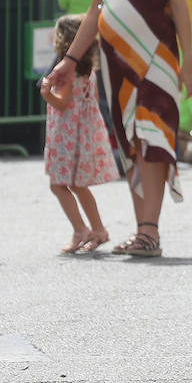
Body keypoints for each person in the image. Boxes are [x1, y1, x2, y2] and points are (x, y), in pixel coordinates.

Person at [45, 0, 192, 258]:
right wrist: (69, 60)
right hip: (116, 66)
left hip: (157, 61)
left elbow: (179, 8)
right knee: (131, 143)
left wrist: (189, 61)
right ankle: (143, 231)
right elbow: (95, 13)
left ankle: (149, 232)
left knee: (152, 139)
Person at [41, 14, 120, 254]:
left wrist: (46, 93)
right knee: (78, 185)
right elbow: (91, 102)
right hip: (81, 133)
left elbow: (62, 104)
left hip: (66, 135)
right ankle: (97, 229)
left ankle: (81, 229)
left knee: (59, 185)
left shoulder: (68, 73)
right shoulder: (88, 72)